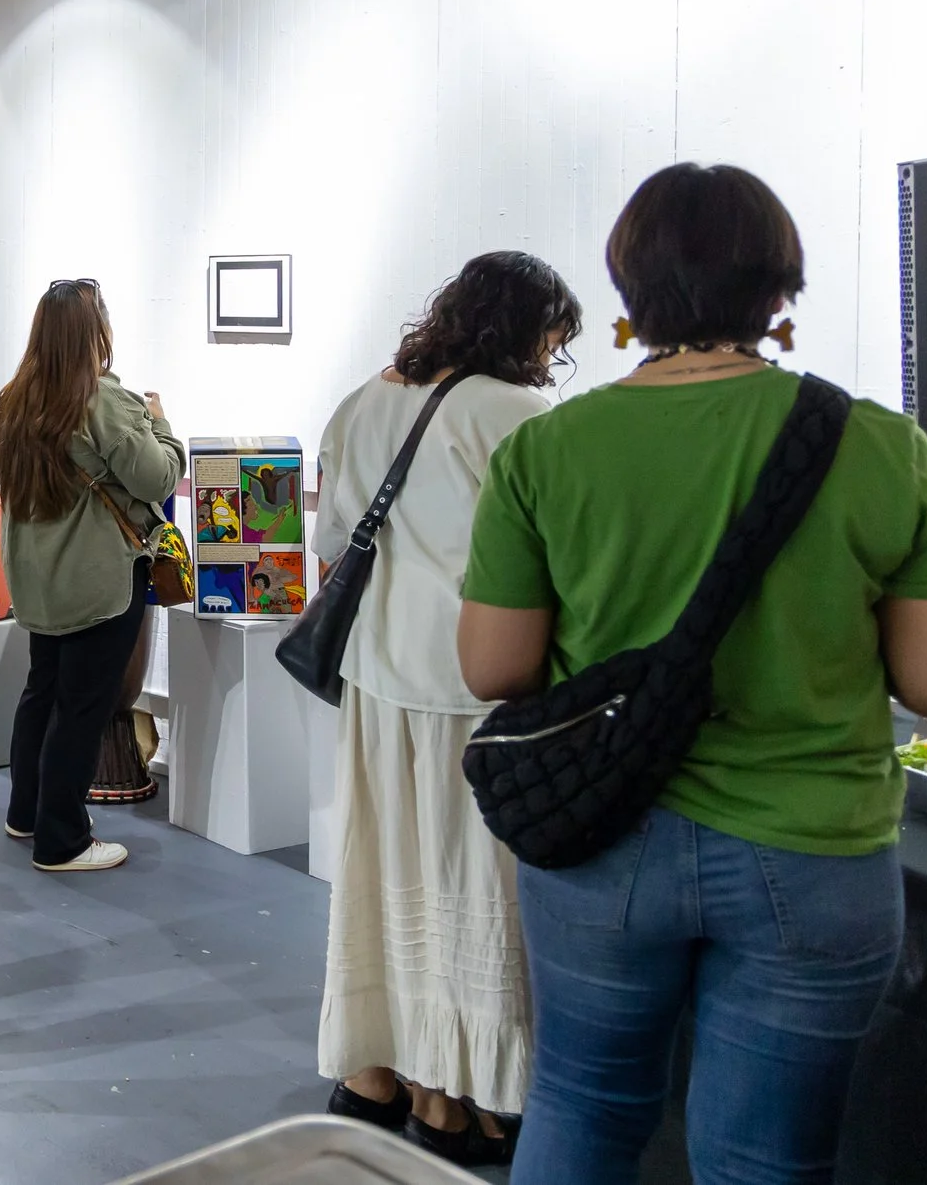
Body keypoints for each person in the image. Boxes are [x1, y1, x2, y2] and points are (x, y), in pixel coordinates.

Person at [458, 164, 927, 1185]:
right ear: (778, 288)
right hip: (814, 849)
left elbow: (495, 666)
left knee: (581, 1102)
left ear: (628, 287)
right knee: (763, 1160)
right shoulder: (884, 448)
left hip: (601, 832)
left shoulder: (544, 450)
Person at [315, 251, 583, 1166]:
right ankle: (455, 1093)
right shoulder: (515, 415)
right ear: (526, 328)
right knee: (470, 889)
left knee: (380, 873)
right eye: (553, 338)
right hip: (472, 687)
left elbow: (331, 537)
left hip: (374, 677)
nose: (552, 358)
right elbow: (554, 556)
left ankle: (372, 1072)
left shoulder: (365, 399)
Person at [0, 279, 185, 873]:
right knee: (82, 709)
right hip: (98, 581)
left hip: (37, 578)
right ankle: (63, 840)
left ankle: (26, 814)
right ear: (95, 332)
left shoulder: (14, 401)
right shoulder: (104, 402)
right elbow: (157, 478)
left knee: (41, 693)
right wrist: (161, 424)